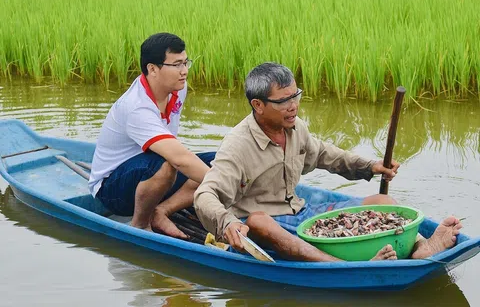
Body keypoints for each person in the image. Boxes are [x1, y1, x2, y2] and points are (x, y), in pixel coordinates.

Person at [194, 62, 463, 262]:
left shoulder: (295, 127)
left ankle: (420, 246)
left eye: (295, 96)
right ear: (258, 104)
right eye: (284, 101)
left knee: (383, 204)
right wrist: (227, 223)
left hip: (301, 212)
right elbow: (205, 194)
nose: (293, 106)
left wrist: (370, 166)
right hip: (267, 226)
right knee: (258, 220)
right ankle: (339, 266)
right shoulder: (237, 145)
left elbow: (325, 154)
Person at [89, 32, 214, 238]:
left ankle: (161, 211)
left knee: (220, 162)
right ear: (152, 69)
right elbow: (179, 158)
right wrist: (223, 186)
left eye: (185, 63)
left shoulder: (177, 88)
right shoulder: (137, 107)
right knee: (167, 164)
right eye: (176, 65)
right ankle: (140, 225)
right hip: (115, 191)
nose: (184, 71)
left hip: (154, 177)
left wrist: (224, 174)